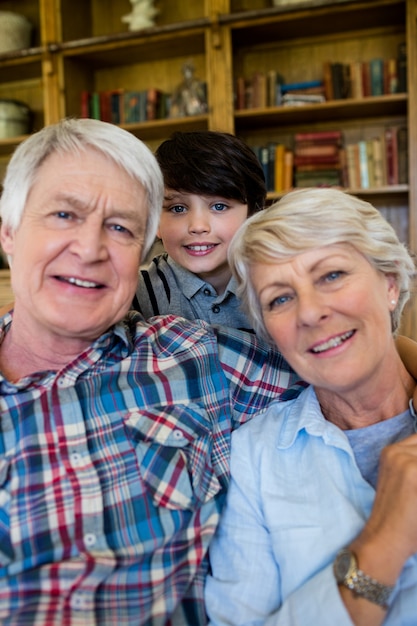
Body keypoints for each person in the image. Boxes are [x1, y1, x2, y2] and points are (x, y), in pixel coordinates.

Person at [0, 117, 307, 626]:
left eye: (120, 226)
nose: (91, 249)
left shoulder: (192, 349)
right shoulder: (145, 294)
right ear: (8, 232)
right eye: (62, 214)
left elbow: (350, 365)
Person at [206, 187, 417, 626]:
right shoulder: (252, 459)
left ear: (390, 283)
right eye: (280, 299)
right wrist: (383, 540)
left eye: (332, 275)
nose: (310, 312)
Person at [132, 130, 266, 331]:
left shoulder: (276, 283)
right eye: (178, 208)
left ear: (253, 214)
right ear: (154, 220)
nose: (198, 226)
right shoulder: (135, 294)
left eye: (219, 206)